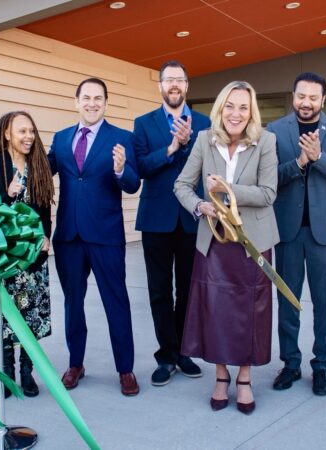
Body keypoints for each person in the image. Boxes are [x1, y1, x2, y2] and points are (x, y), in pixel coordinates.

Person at [174, 81, 278, 415]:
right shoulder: (205, 140)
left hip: (253, 243)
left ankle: (244, 378)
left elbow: (267, 193)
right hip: (214, 241)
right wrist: (201, 206)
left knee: (250, 312)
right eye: (230, 106)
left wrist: (226, 190)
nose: (236, 113)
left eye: (243, 107)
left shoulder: (266, 141)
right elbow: (182, 185)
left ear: (252, 112)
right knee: (215, 311)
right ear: (220, 109)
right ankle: (220, 376)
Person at [48, 77, 142, 396]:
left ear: (105, 102)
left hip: (105, 235)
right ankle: (76, 364)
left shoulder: (121, 138)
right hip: (69, 237)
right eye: (86, 98)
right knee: (73, 302)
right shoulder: (60, 139)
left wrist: (119, 169)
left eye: (98, 98)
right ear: (76, 102)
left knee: (116, 301)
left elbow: (132, 184)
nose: (92, 103)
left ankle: (125, 369)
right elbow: (42, 173)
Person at [267, 72, 326, 396]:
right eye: (301, 96)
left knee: (324, 303)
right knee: (287, 302)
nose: (306, 102)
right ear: (293, 96)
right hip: (288, 230)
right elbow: (268, 178)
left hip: (325, 233)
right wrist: (298, 162)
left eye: (313, 97)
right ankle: (290, 363)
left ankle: (321, 367)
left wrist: (318, 158)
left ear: (322, 99)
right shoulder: (274, 131)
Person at [133, 60, 211, 386]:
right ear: (160, 86)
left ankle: (184, 352)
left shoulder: (205, 122)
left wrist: (190, 141)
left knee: (189, 291)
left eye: (180, 80)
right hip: (156, 219)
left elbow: (210, 167)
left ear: (187, 85)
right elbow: (140, 168)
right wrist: (172, 146)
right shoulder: (144, 123)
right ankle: (165, 355)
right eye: (169, 81)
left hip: (192, 218)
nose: (174, 85)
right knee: (160, 291)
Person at [0, 111, 54, 398]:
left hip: (33, 257)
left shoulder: (38, 167)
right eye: (22, 131)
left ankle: (27, 371)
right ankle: (8, 372)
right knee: (8, 320)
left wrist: (47, 236)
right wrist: (7, 196)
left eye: (31, 131)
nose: (28, 137)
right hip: (6, 260)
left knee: (32, 316)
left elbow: (45, 210)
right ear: (7, 134)